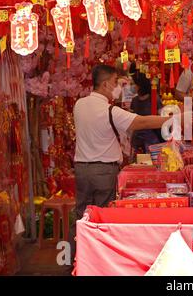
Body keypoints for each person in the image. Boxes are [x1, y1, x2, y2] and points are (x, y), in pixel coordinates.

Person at [73, 64, 172, 220]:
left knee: (81, 213)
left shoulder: (79, 105)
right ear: (105, 84)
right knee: (102, 214)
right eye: (115, 82)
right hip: (103, 171)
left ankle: (77, 243)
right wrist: (173, 119)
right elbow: (142, 122)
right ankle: (97, 244)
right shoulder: (109, 111)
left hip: (81, 169)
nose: (118, 87)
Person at [130, 69, 164, 153]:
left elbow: (162, 117)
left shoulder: (155, 99)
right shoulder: (134, 100)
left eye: (134, 84)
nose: (132, 86)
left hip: (152, 139)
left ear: (140, 85)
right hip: (137, 139)